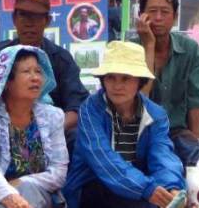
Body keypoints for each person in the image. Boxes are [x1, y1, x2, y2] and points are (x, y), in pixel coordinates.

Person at [0, 0, 89, 163]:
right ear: (15, 19)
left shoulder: (61, 59)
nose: (29, 24)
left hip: (48, 134)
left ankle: (64, 189)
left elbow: (77, 108)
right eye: (24, 16)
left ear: (47, 21)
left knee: (76, 139)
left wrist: (46, 130)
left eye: (36, 18)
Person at [63, 41, 184, 208]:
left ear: (139, 82)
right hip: (93, 187)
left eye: (126, 78)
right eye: (111, 77)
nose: (117, 86)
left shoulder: (156, 115)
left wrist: (171, 187)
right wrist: (148, 189)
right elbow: (103, 160)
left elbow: (162, 154)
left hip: (137, 188)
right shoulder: (90, 110)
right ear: (103, 80)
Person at [0, 46, 68, 208]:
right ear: (6, 81)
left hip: (39, 198)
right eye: (27, 72)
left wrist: (21, 183)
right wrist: (9, 194)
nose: (35, 78)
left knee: (29, 189)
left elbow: (58, 172)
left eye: (38, 71)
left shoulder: (53, 117)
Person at [129, 0, 199, 141]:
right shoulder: (130, 49)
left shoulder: (189, 49)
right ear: (140, 15)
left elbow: (196, 100)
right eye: (152, 11)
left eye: (164, 12)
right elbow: (139, 99)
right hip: (138, 131)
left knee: (197, 154)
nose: (158, 18)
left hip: (177, 131)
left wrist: (196, 144)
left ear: (175, 17)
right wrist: (149, 45)